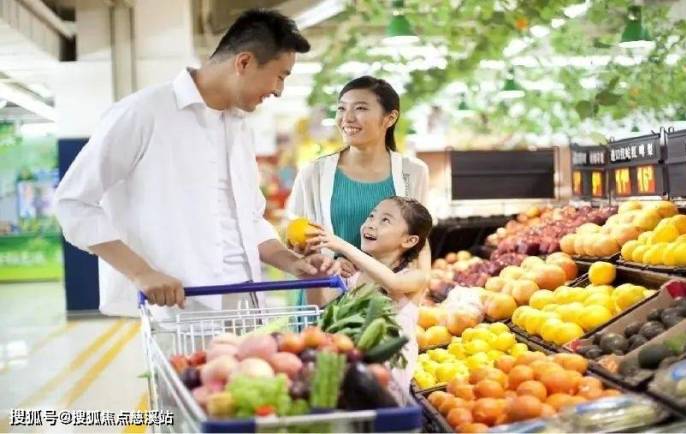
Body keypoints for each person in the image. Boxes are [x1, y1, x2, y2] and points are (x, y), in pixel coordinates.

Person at [54, 9, 338, 318]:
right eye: (280, 76)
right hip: (180, 309)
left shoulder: (239, 127)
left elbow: (249, 220)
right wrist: (141, 273)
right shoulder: (144, 113)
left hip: (246, 301)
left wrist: (292, 262)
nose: (279, 90)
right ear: (243, 62)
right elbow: (73, 203)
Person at [286, 76, 430, 306]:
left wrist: (420, 289)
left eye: (360, 108)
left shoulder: (413, 172)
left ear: (390, 118)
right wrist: (318, 257)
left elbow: (420, 240)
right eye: (341, 108)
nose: (347, 118)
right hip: (325, 298)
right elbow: (295, 236)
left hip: (382, 301)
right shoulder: (313, 174)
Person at [308, 196, 432, 398]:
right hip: (353, 368)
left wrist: (342, 246)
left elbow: (393, 283)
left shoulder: (414, 277)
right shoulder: (354, 274)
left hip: (390, 376)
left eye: (385, 220)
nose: (371, 224)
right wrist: (315, 265)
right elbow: (317, 301)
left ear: (409, 240)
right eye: (371, 216)